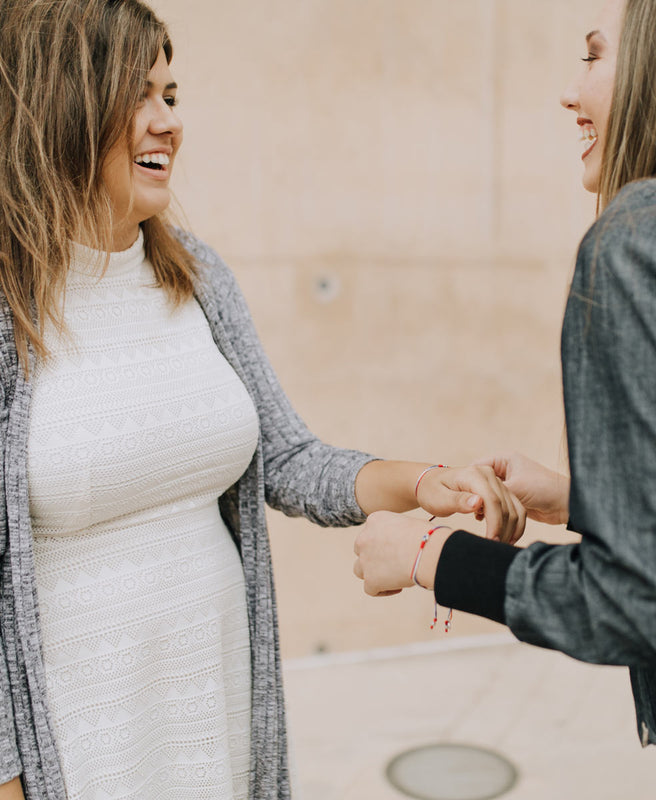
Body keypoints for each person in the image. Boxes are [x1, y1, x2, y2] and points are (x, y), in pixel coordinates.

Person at [0, 1, 527, 798]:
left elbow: (288, 460)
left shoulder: (198, 278)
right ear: (64, 106)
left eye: (171, 97)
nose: (166, 122)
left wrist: (425, 481)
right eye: (137, 95)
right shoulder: (12, 309)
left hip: (215, 717)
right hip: (78, 749)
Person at [354, 0, 656, 795]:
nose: (570, 92)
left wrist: (429, 557)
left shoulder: (645, 239)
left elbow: (642, 605)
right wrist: (581, 499)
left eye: (594, 58)